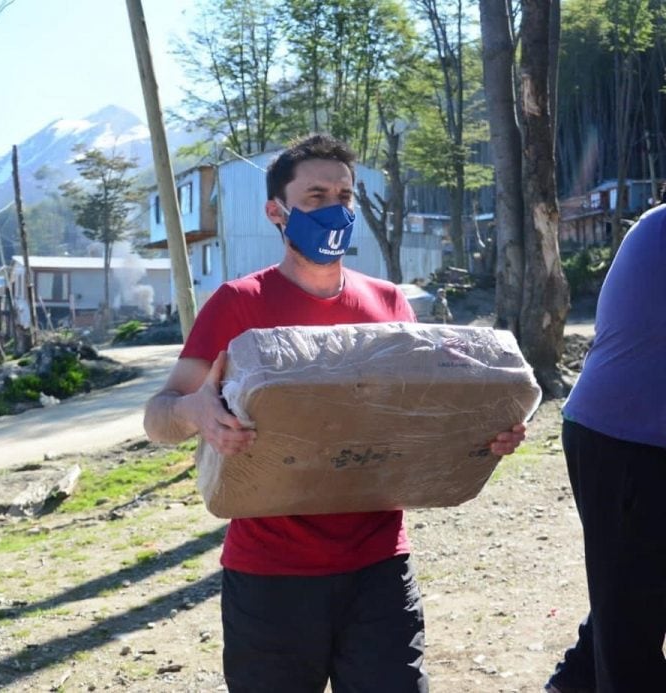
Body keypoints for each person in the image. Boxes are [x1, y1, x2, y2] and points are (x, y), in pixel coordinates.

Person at [144, 133, 526, 693]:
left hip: (378, 567)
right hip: (270, 575)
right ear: (277, 211)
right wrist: (197, 412)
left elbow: (416, 414)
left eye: (344, 196)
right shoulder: (237, 303)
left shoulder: (389, 304)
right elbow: (157, 417)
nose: (335, 210)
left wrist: (476, 434)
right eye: (316, 196)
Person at [545, 202, 666, 693]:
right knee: (631, 612)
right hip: (626, 438)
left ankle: (573, 683)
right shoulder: (661, 227)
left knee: (635, 584)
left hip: (636, 432)